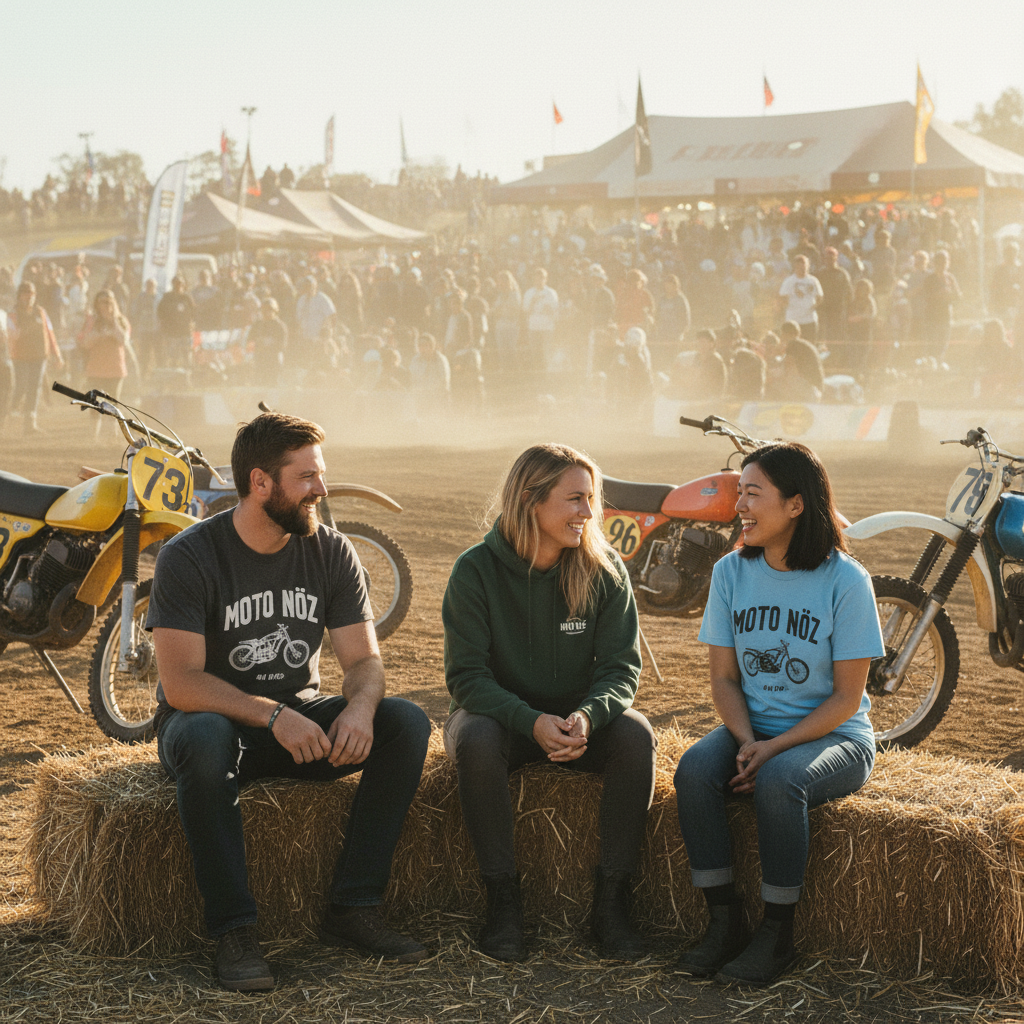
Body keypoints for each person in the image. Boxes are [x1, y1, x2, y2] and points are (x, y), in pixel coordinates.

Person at [148, 412, 431, 991]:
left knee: (405, 722)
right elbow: (182, 684)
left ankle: (354, 906)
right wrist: (273, 715)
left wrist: (359, 709)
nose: (321, 489)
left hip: (299, 728)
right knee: (205, 736)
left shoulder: (331, 551)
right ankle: (235, 931)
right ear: (260, 483)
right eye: (306, 477)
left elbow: (365, 662)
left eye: (320, 474)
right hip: (210, 725)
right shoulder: (189, 556)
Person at [673, 442, 883, 985]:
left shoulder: (847, 580)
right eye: (739, 493)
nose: (739, 506)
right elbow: (723, 680)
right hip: (754, 727)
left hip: (834, 737)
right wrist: (748, 741)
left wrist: (772, 750)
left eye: (753, 493)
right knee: (693, 770)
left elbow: (846, 699)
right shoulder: (730, 572)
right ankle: (724, 921)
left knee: (780, 780)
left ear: (795, 504)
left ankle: (777, 932)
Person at [442, 444, 656, 962]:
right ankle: (503, 904)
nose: (589, 513)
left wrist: (588, 716)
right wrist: (530, 720)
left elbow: (621, 669)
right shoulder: (475, 570)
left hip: (577, 725)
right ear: (529, 500)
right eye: (575, 499)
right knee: (475, 737)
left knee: (636, 735)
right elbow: (467, 678)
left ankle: (612, 906)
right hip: (502, 721)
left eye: (592, 499)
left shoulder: (604, 569)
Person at [7, 281, 64, 433]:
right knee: (20, 386)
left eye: (32, 293)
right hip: (20, 357)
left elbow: (50, 333)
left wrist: (57, 355)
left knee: (34, 387)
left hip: (39, 356)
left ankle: (29, 423)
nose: (29, 297)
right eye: (26, 293)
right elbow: (12, 336)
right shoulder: (13, 314)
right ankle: (9, 413)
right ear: (19, 295)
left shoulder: (41, 312)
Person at [78, 289, 130, 433]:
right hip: (96, 368)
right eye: (103, 302)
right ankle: (94, 434)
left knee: (113, 402)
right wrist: (99, 335)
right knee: (95, 402)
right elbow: (84, 343)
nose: (106, 305)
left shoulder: (121, 320)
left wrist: (113, 321)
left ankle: (112, 434)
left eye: (109, 302)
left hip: (115, 368)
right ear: (97, 304)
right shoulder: (92, 321)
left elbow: (123, 340)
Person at [777, 256, 823, 342]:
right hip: (793, 320)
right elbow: (782, 297)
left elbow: (820, 297)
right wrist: (789, 307)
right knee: (792, 345)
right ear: (795, 266)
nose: (802, 268)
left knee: (810, 344)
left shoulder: (813, 281)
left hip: (809, 320)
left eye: (804, 265)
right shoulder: (789, 281)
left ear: (808, 266)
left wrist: (812, 307)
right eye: (799, 266)